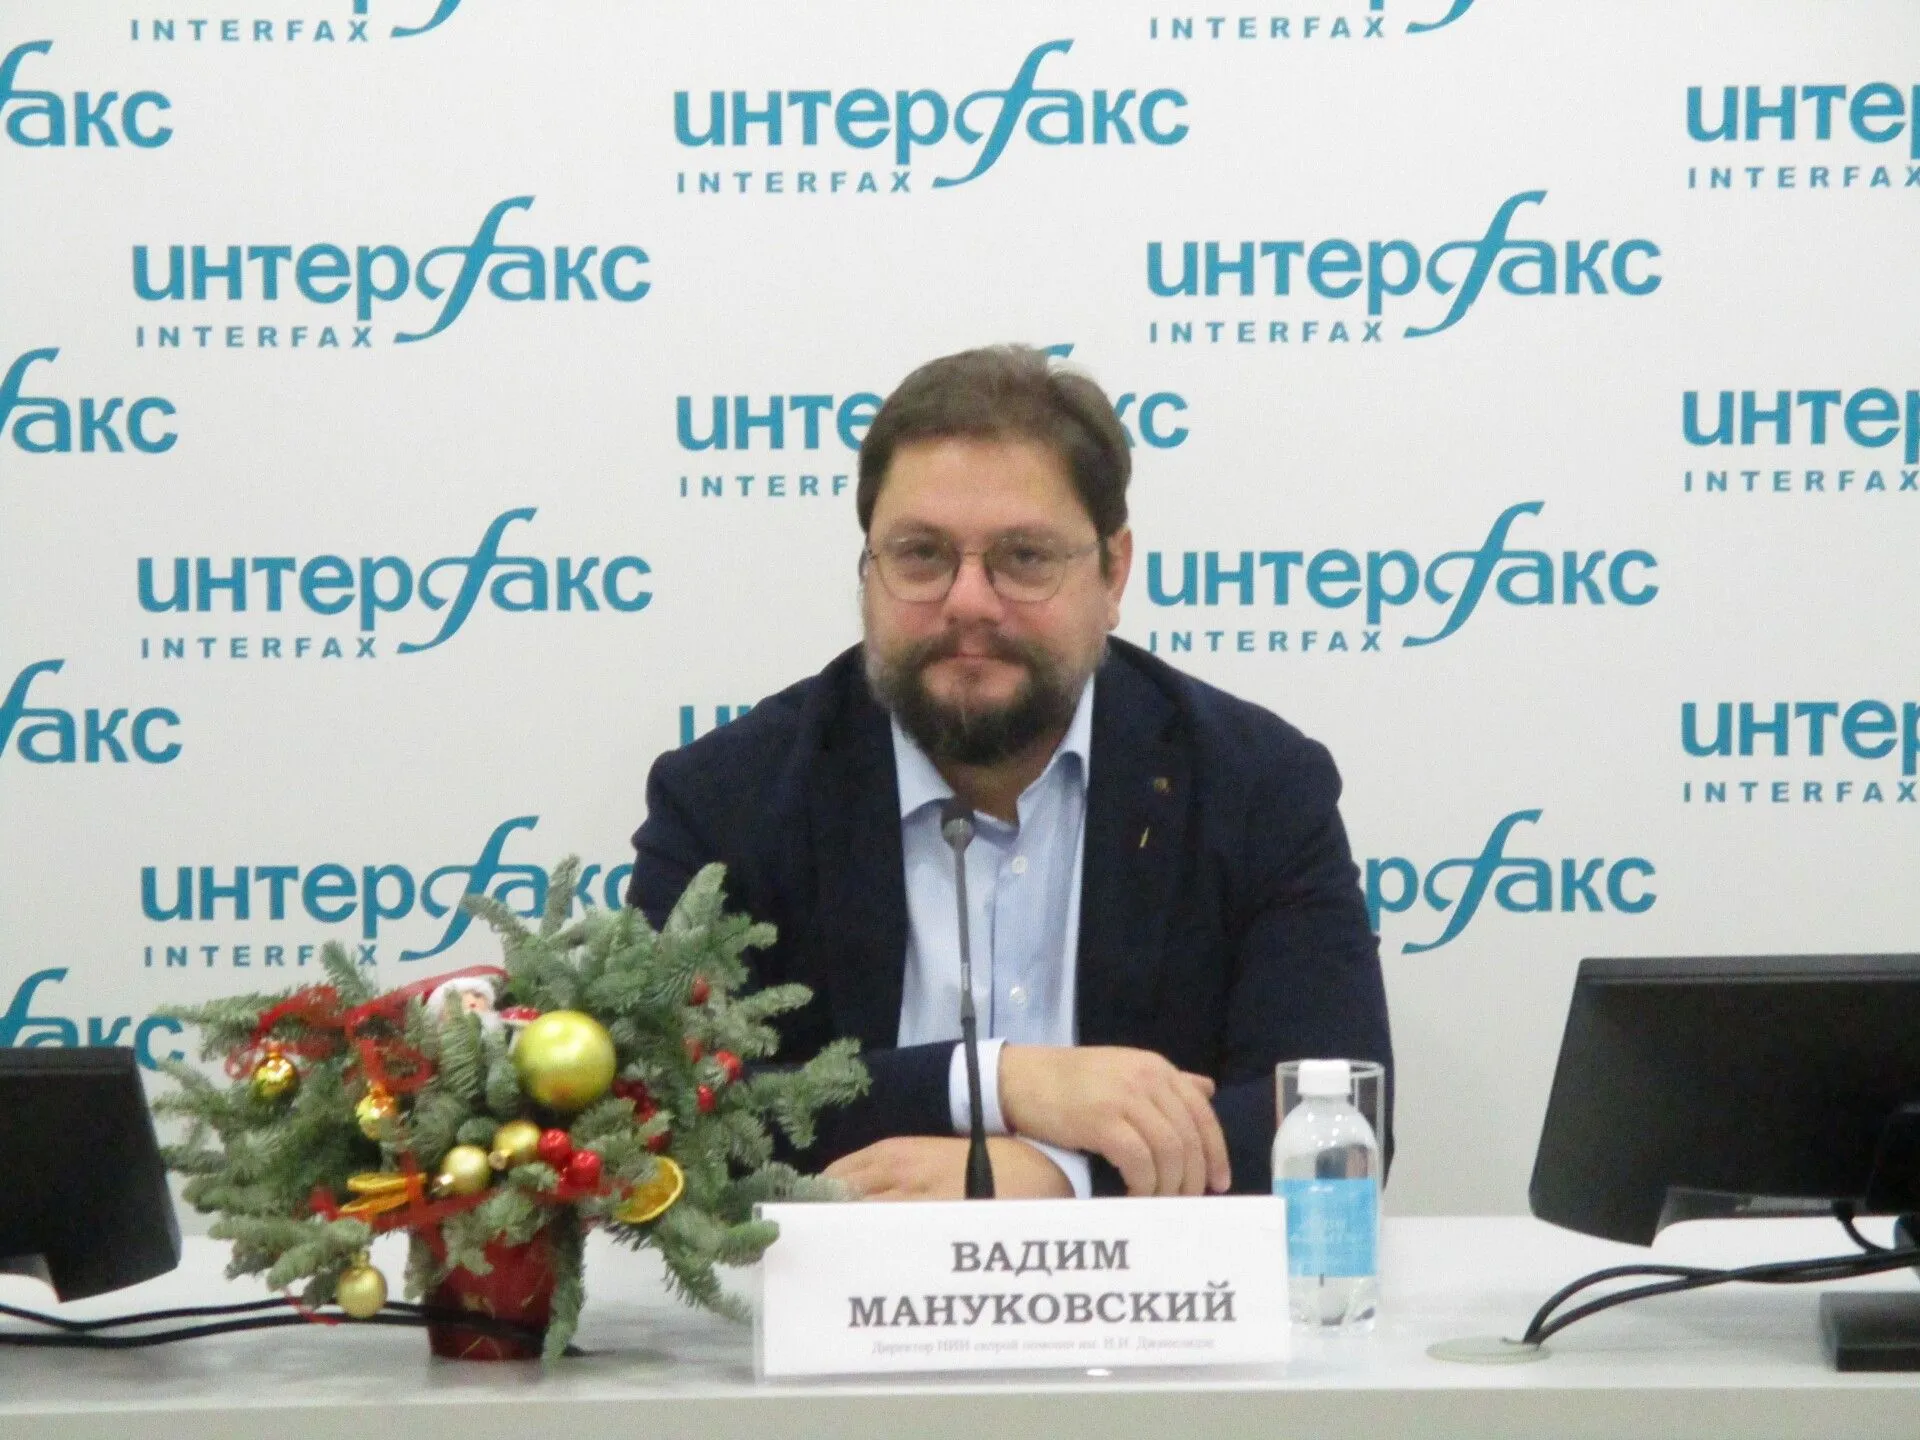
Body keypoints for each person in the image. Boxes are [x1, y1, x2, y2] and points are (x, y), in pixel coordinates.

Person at [627, 345, 1391, 1199]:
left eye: (1024, 558)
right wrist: (994, 1083)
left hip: (1147, 1287)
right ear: (868, 570)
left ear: (1113, 573)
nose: (968, 602)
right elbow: (657, 1108)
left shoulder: (1257, 787)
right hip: (830, 1281)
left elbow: (1333, 1128)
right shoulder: (727, 800)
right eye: (922, 555)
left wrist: (1060, 1181)